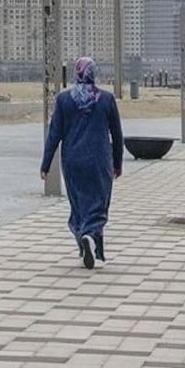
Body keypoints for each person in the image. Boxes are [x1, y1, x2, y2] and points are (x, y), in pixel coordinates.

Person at [40, 57, 124, 270]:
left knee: (79, 203)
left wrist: (46, 164)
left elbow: (54, 134)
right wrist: (118, 163)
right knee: (99, 203)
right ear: (94, 73)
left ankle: (85, 241)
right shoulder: (106, 99)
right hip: (99, 161)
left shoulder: (64, 100)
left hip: (73, 161)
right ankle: (89, 236)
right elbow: (117, 134)